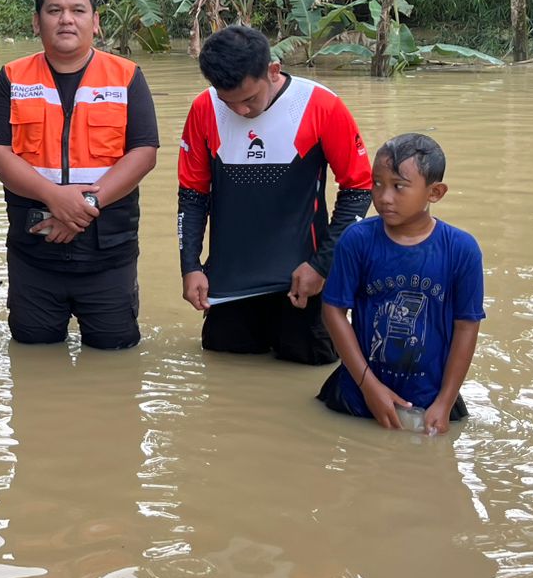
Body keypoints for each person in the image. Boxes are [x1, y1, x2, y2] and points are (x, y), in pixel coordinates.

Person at [0, 0, 159, 350]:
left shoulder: (126, 76)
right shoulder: (12, 77)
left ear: (95, 21)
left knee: (115, 360)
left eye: (78, 10)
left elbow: (144, 153)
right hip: (34, 256)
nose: (66, 19)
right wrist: (54, 197)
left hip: (108, 256)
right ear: (36, 21)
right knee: (32, 360)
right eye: (54, 10)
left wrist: (83, 207)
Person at [177, 23, 373, 364]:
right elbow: (193, 195)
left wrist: (322, 265)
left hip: (303, 282)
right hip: (229, 285)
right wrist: (190, 266)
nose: (240, 111)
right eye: (229, 101)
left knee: (310, 369)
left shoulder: (321, 105)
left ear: (272, 70)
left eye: (249, 98)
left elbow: (358, 189)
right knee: (224, 374)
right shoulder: (204, 109)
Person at [317, 133, 484, 433]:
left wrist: (445, 402)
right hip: (357, 395)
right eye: (377, 183)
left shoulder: (461, 250)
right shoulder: (357, 241)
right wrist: (369, 385)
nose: (383, 197)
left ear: (435, 193)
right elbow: (333, 311)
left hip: (430, 399)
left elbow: (466, 326)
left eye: (398, 186)